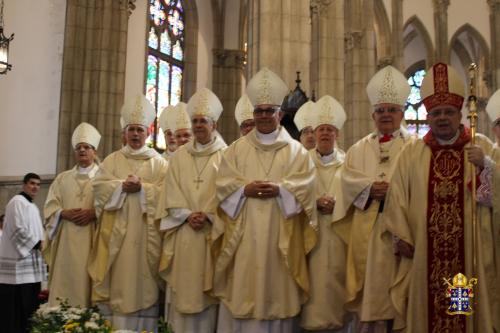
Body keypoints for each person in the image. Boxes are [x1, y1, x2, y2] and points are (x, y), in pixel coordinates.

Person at [384, 62, 500, 332]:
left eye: (448, 112)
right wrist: (401, 236)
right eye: (436, 113)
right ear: (427, 115)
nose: (443, 118)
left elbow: (493, 200)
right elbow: (396, 199)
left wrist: (486, 167)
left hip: (467, 256)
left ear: (459, 113)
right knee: (428, 315)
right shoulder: (411, 154)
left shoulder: (481, 147)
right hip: (425, 253)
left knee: (460, 309)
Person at [214, 67, 317, 332]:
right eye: (258, 111)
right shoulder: (235, 150)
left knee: (277, 297)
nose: (263, 116)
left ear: (279, 114)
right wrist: (243, 190)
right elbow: (223, 185)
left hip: (280, 237)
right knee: (242, 293)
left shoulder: (297, 152)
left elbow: (307, 188)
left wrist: (282, 190)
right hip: (244, 238)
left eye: (269, 111)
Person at [341, 65, 413, 332]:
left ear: (402, 114)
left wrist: (392, 191)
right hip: (368, 233)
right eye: (380, 110)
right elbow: (346, 181)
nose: (385, 115)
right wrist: (370, 189)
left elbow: (418, 184)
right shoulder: (358, 148)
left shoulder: (415, 147)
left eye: (391, 110)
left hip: (402, 231)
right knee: (371, 298)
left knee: (400, 297)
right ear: (372, 115)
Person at [88, 94, 168, 331]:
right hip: (117, 238)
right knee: (119, 279)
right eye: (131, 129)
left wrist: (143, 189)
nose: (135, 134)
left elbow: (168, 194)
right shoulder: (112, 161)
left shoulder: (160, 163)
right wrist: (121, 186)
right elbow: (99, 188)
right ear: (124, 133)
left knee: (144, 281)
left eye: (139, 130)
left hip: (147, 236)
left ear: (148, 132)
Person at [157, 88, 227, 333]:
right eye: (194, 121)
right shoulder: (178, 157)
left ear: (214, 124)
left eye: (202, 121)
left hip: (212, 235)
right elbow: (169, 193)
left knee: (210, 295)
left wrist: (207, 215)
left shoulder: (227, 156)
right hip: (184, 233)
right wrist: (187, 214)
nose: (198, 126)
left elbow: (228, 194)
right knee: (183, 293)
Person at [298, 95, 352, 332]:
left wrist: (337, 204)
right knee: (314, 290)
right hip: (311, 238)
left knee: (338, 289)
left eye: (330, 130)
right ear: (315, 133)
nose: (325, 134)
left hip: (340, 238)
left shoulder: (350, 163)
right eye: (321, 130)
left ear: (337, 134)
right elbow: (294, 195)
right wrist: (314, 202)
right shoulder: (302, 162)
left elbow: (357, 196)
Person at [43, 122, 101, 307]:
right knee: (65, 281)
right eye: (78, 148)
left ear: (95, 151)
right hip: (66, 243)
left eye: (87, 147)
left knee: (87, 280)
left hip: (92, 240)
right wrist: (62, 213)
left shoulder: (104, 178)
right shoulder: (62, 178)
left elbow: (112, 208)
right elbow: (50, 208)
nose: (82, 151)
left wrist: (94, 213)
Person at [0, 173, 46, 333]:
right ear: (24, 184)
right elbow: (17, 228)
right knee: (16, 306)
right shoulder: (17, 202)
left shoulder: (32, 205)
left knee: (29, 303)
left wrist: (42, 242)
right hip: (18, 265)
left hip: (30, 261)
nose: (35, 187)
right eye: (32, 183)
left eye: (38, 184)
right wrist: (37, 243)